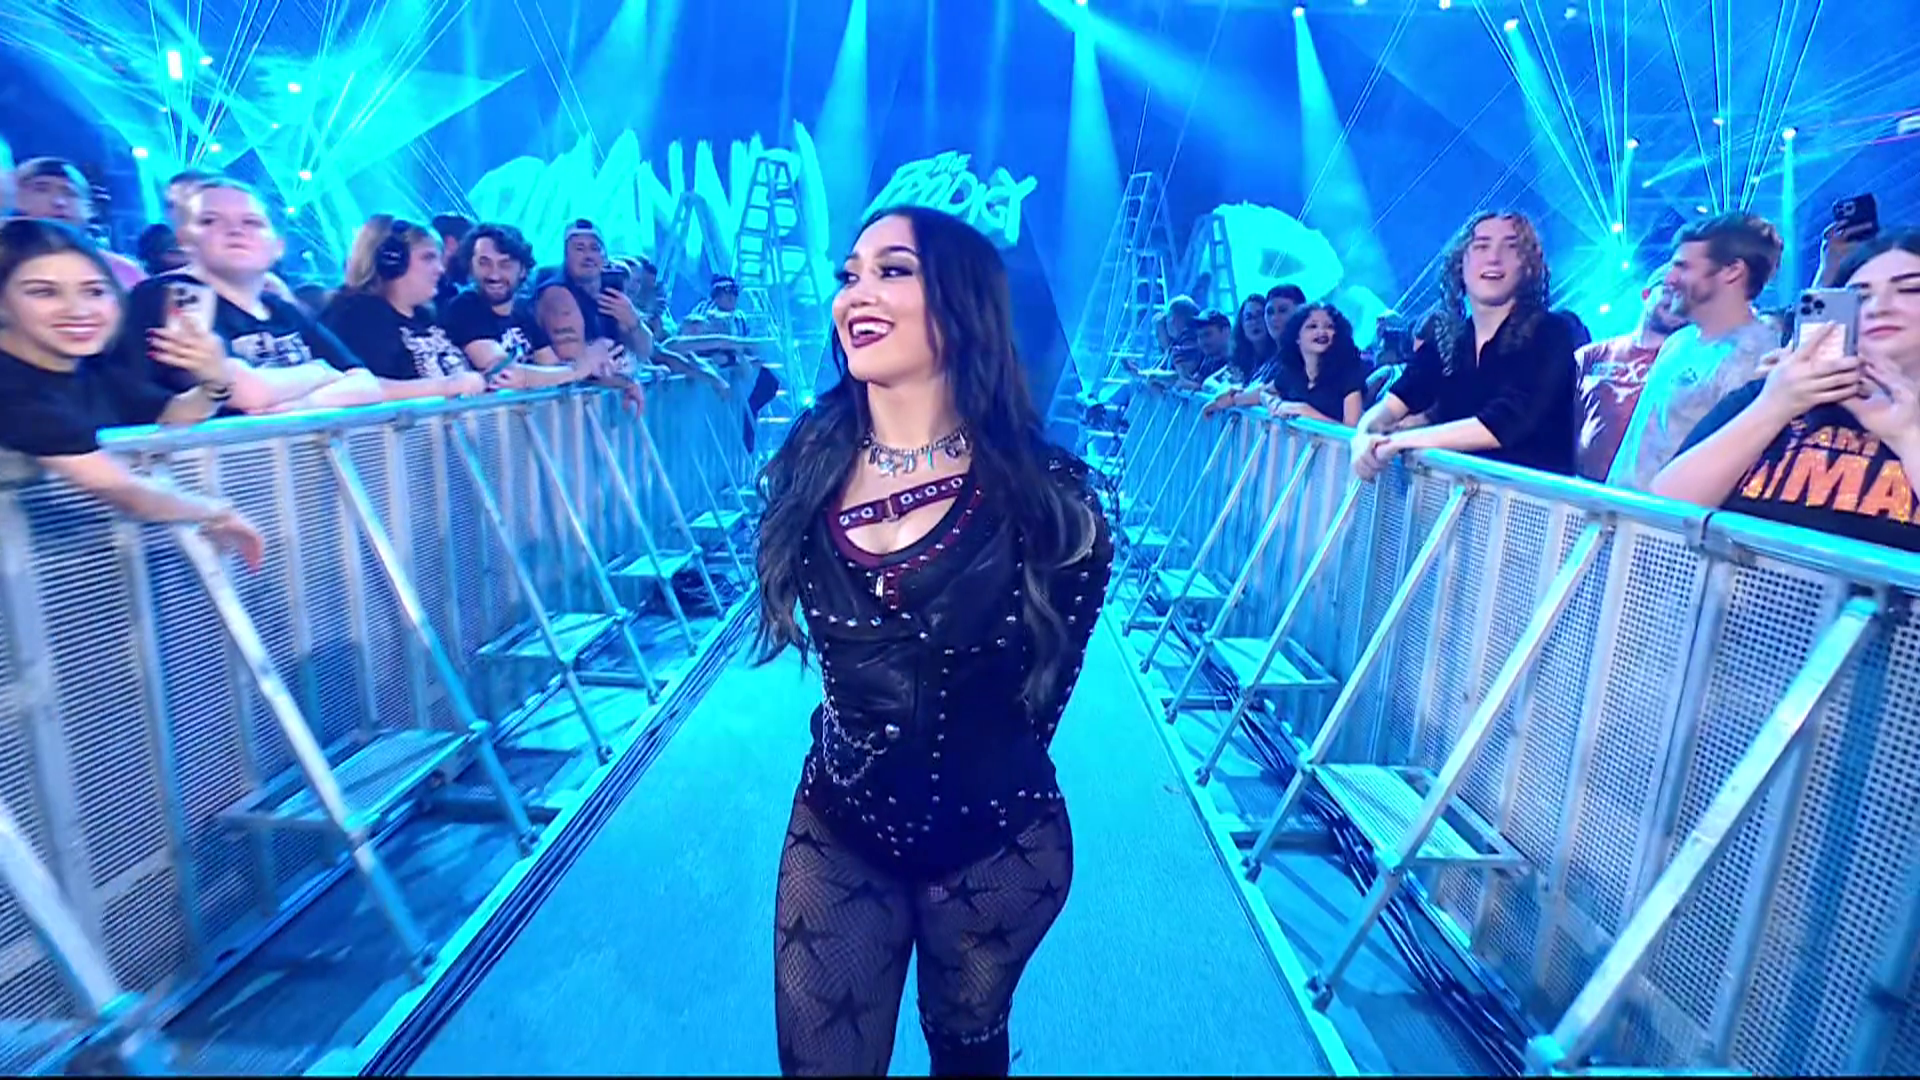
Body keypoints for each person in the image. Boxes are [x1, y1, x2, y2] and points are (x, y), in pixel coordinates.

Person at [754, 205, 1111, 1077]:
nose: (857, 294)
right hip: (839, 825)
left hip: (996, 846)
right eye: (849, 275)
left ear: (961, 303)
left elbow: (1045, 699)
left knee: (966, 1053)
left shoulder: (1053, 501)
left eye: (892, 271)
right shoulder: (809, 458)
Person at [0, 219, 262, 564]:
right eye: (43, 292)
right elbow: (120, 489)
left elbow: (174, 414)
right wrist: (216, 512)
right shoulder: (11, 387)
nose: (78, 310)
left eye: (95, 291)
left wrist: (214, 381)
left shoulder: (92, 370)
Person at [1651, 229, 1920, 552]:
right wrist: (1775, 405)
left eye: (1911, 289)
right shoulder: (1770, 392)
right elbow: (1660, 514)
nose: (1879, 307)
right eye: (1859, 297)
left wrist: (1907, 435)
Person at [1350, 210, 1578, 479]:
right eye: (1481, 246)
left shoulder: (1553, 332)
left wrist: (1398, 442)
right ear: (1460, 265)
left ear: (1527, 267)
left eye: (1511, 247)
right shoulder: (1449, 341)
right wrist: (1363, 434)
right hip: (1456, 497)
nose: (1494, 257)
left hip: (1528, 500)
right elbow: (1395, 402)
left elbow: (1504, 424)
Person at [321, 215, 486, 401]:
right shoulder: (356, 316)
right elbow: (358, 387)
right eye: (428, 257)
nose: (440, 269)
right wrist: (447, 386)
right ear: (391, 262)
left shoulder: (425, 316)